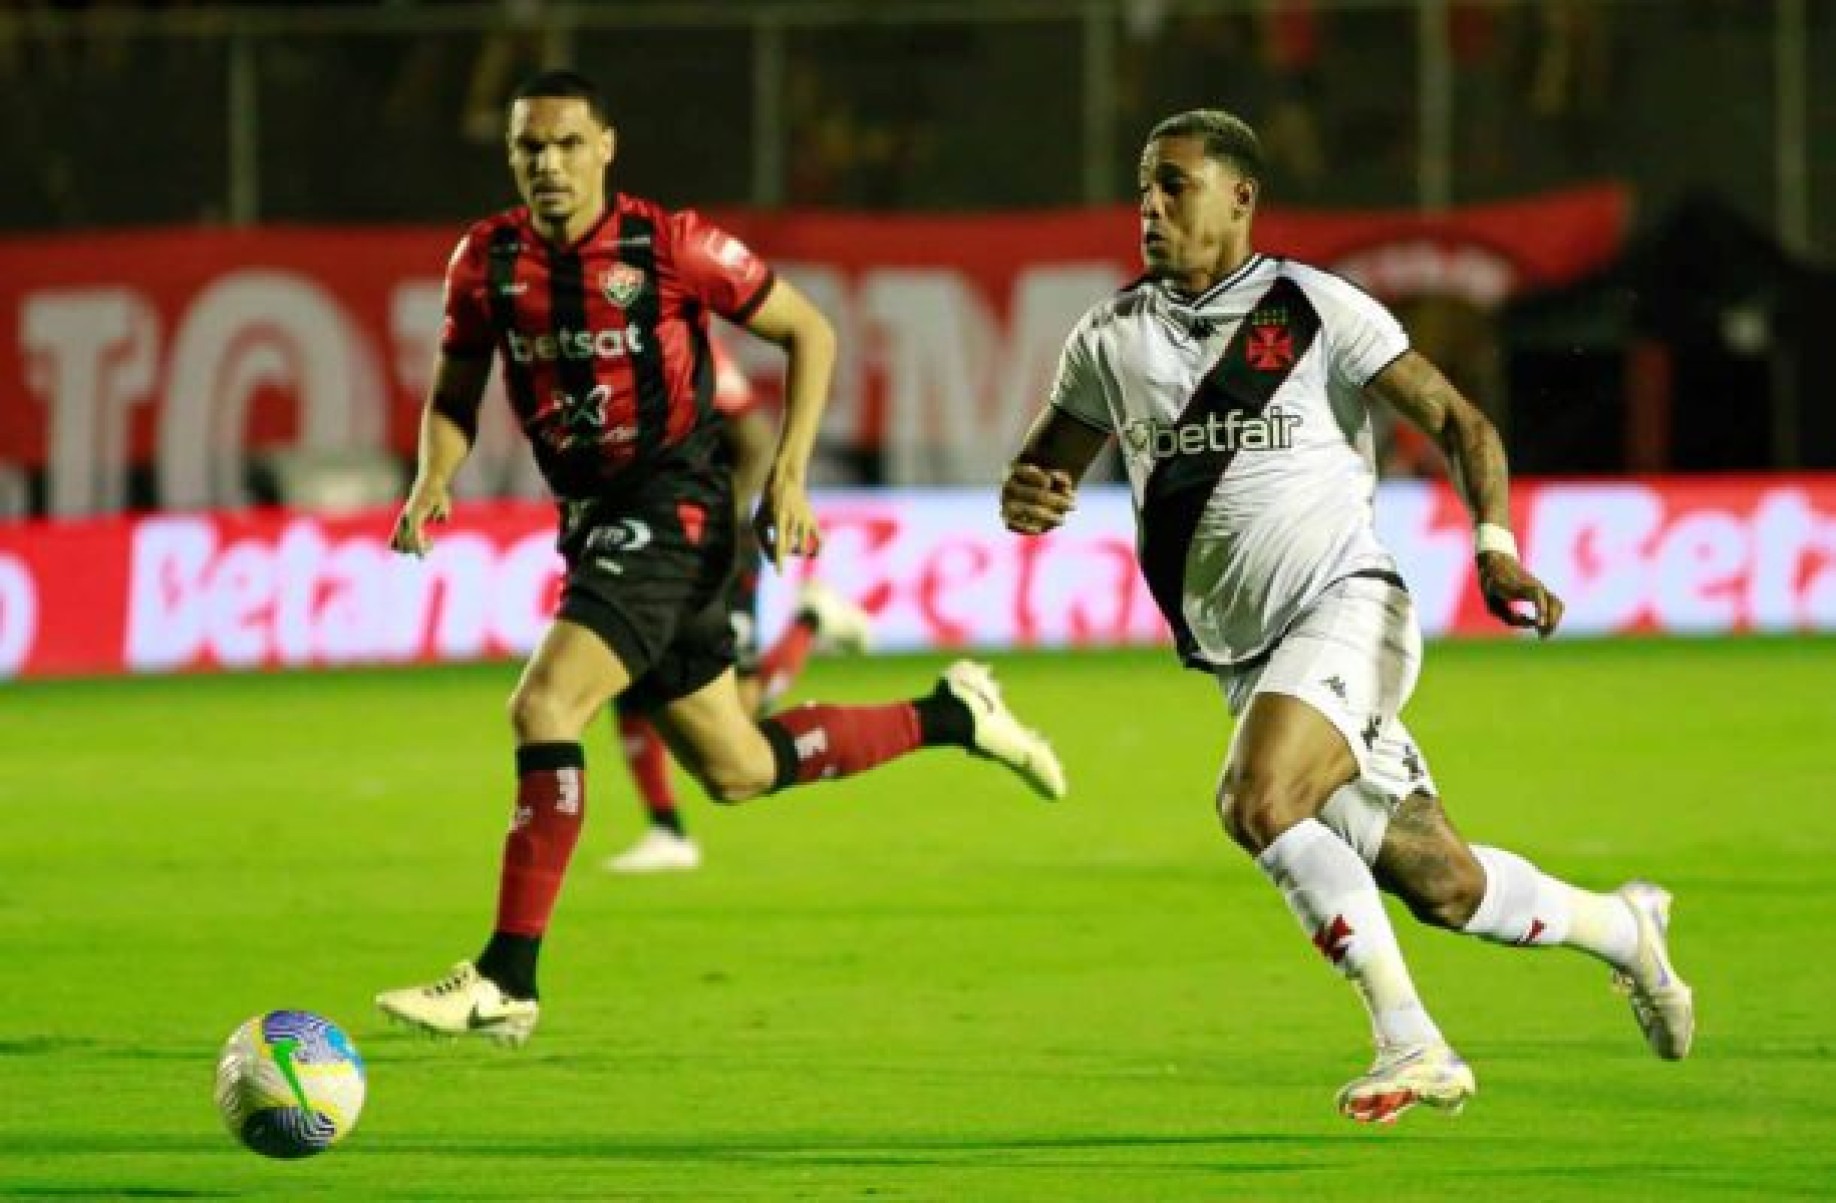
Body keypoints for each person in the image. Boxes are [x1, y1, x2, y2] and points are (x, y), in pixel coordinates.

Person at [1000, 108, 1693, 1124]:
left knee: (1257, 798)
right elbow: (1041, 471)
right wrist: (1029, 496)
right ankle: (1628, 931)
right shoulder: (1112, 337)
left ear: (1239, 197)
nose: (1149, 205)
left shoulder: (1312, 308)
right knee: (1444, 884)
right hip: (1251, 662)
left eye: (1174, 183)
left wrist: (1493, 547)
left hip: (1351, 610)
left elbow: (1461, 421)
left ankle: (1411, 1043)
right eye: (1145, 187)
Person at [375, 69, 1065, 1046]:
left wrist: (788, 474)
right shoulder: (484, 262)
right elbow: (454, 392)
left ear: (606, 146)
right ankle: (952, 715)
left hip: (676, 508)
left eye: (569, 143)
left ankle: (505, 975)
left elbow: (808, 331)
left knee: (545, 703)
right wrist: (431, 477)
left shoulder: (670, 243)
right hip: (593, 518)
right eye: (530, 147)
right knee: (737, 766)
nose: (549, 164)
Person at [604, 336, 873, 874]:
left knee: (742, 713)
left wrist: (722, 521)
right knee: (626, 674)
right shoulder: (612, 344)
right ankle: (667, 830)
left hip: (711, 542)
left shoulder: (691, 347)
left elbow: (754, 441)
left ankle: (812, 621)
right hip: (651, 542)